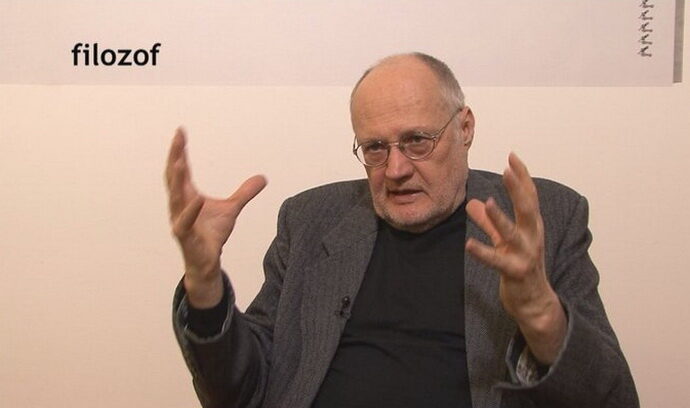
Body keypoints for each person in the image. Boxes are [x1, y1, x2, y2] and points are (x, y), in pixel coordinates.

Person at [167, 53, 638, 408]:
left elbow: (611, 399)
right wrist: (205, 287)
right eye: (375, 148)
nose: (395, 169)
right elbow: (240, 391)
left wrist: (540, 314)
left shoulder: (545, 217)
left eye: (417, 141)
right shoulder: (311, 218)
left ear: (465, 128)